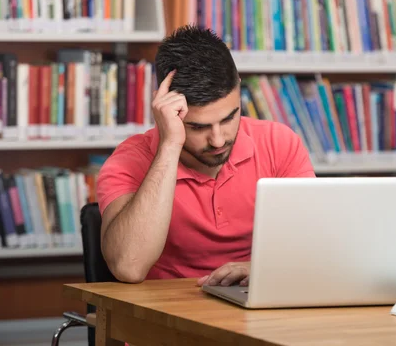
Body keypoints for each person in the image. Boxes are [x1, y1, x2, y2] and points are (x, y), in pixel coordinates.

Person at [96, 25, 316, 287]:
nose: (218, 140)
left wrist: (259, 269)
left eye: (229, 118)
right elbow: (128, 267)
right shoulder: (130, 160)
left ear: (239, 90)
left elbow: (314, 246)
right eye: (198, 127)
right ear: (166, 109)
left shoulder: (279, 143)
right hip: (165, 314)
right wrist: (169, 145)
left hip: (255, 302)